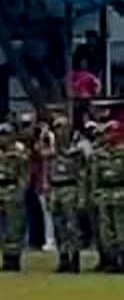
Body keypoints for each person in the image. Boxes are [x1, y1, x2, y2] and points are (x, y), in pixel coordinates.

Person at [46, 115, 88, 273]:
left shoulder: (76, 151)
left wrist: (82, 196)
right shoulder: (52, 151)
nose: (60, 131)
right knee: (58, 226)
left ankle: (75, 258)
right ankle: (62, 257)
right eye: (57, 127)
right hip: (55, 189)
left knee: (72, 226)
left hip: (70, 189)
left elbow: (82, 175)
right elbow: (47, 171)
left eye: (62, 127)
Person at [0, 123, 30, 272]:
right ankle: (5, 257)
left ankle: (14, 259)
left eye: (6, 134)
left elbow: (24, 175)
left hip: (12, 189)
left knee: (14, 228)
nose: (3, 138)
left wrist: (21, 192)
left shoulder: (19, 152)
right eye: (1, 135)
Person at [90, 122, 124, 273]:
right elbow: (94, 176)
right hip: (104, 194)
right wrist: (94, 193)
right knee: (105, 230)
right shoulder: (99, 154)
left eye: (112, 132)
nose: (109, 136)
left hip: (120, 192)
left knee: (121, 229)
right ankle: (111, 260)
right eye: (107, 133)